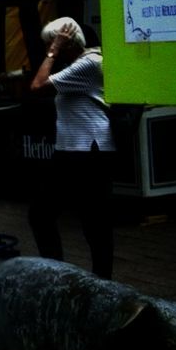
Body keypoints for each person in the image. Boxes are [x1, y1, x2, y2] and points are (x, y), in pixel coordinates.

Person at [28, 16, 115, 279]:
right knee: (44, 214)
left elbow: (38, 86)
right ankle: (60, 275)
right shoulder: (82, 64)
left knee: (93, 221)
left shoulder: (89, 63)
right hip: (72, 149)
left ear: (66, 44)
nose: (50, 50)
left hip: (89, 149)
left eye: (52, 45)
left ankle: (101, 282)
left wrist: (52, 51)